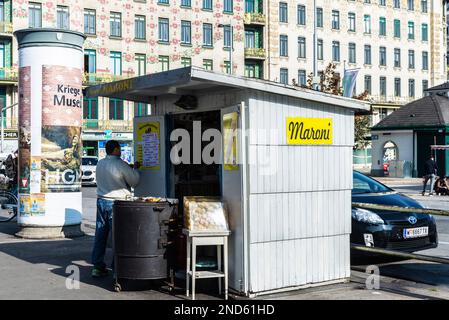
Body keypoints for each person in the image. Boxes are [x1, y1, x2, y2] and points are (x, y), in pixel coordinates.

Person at [91, 140, 140, 278]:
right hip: (116, 204)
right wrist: (135, 169)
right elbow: (134, 181)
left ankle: (97, 266)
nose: (120, 151)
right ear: (116, 149)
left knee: (100, 234)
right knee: (117, 236)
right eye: (119, 149)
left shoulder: (100, 163)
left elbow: (112, 175)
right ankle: (116, 267)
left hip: (101, 201)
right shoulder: (120, 164)